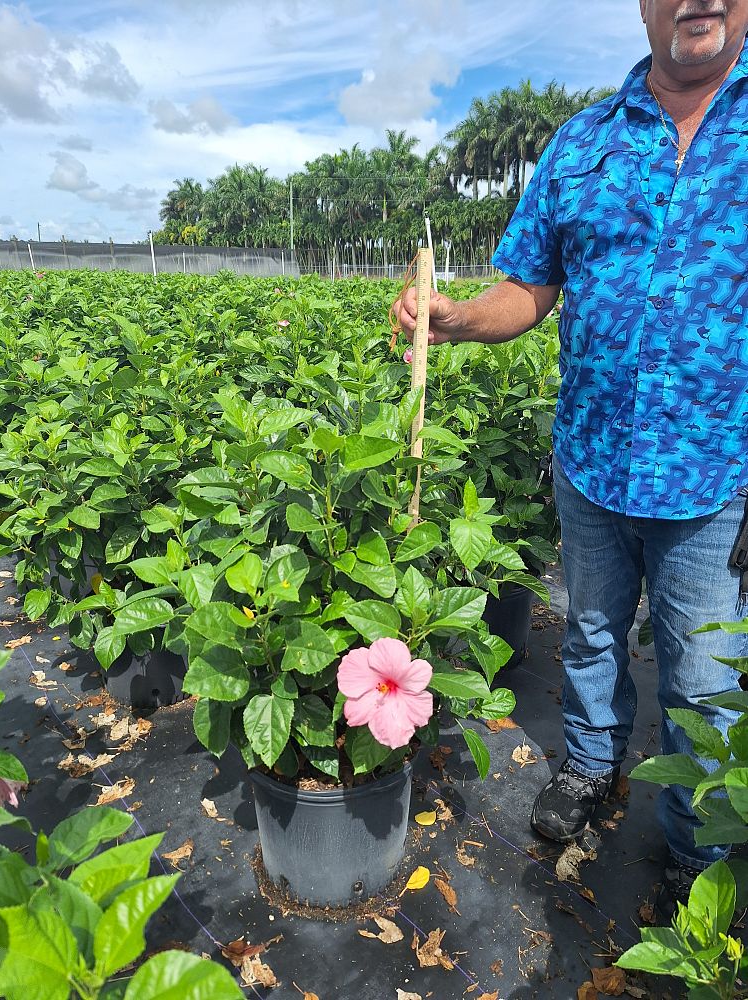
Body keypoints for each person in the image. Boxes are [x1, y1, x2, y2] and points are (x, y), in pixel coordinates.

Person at [395, 0, 748, 917]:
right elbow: (529, 286)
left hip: (714, 474)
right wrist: (457, 319)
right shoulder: (583, 141)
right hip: (594, 459)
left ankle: (700, 852)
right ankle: (592, 769)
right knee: (590, 631)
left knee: (705, 678)